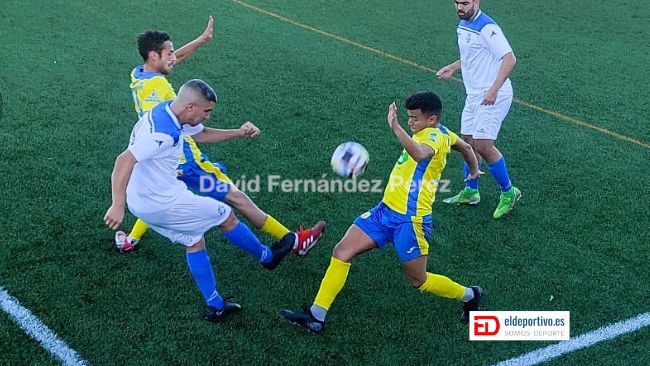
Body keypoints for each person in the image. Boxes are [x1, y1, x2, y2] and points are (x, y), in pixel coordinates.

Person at [116, 18, 325, 253]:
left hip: (160, 159)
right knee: (237, 197)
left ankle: (130, 240)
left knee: (164, 191)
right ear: (154, 55)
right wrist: (238, 132)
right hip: (186, 160)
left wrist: (201, 40)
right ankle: (295, 242)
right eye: (170, 53)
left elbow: (170, 63)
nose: (174, 58)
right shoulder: (164, 91)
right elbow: (196, 131)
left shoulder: (139, 75)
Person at [280, 91, 483, 333]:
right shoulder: (443, 132)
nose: (410, 122)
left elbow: (420, 154)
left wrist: (396, 127)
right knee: (342, 251)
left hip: (411, 221)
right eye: (408, 118)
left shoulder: (434, 137)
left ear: (431, 119)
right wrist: (473, 169)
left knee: (418, 280)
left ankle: (470, 295)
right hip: (385, 211)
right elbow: (465, 146)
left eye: (414, 118)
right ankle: (316, 315)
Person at [104, 79, 304, 322]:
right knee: (225, 215)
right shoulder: (163, 134)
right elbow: (123, 161)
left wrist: (239, 132)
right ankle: (267, 257)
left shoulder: (168, 110)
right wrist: (117, 205)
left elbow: (202, 134)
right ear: (190, 106)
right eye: (207, 111)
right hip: (161, 202)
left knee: (195, 241)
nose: (208, 116)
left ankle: (216, 305)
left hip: (144, 199)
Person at [437, 0, 521, 219]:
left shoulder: (488, 27)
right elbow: (471, 56)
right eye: (456, 2)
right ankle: (471, 191)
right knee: (467, 141)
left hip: (494, 94)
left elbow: (509, 59)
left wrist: (493, 90)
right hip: (474, 94)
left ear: (476, 1)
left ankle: (509, 192)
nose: (459, 7)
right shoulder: (463, 25)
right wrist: (454, 67)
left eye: (464, 3)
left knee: (483, 144)